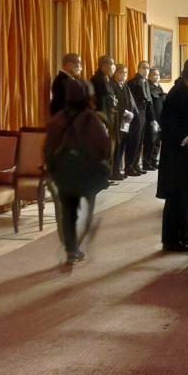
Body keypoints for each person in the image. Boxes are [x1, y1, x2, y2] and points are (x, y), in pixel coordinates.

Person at [44, 80, 111, 265]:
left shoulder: (57, 119)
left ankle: (71, 249)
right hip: (87, 174)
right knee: (88, 206)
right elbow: (104, 148)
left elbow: (48, 149)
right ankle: (85, 230)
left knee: (68, 211)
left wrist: (53, 169)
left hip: (64, 173)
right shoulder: (92, 120)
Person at [157, 57, 188, 252]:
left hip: (184, 153)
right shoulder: (180, 94)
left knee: (185, 196)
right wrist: (186, 138)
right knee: (176, 197)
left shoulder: (185, 91)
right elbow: (167, 123)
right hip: (176, 154)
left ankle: (183, 235)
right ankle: (171, 240)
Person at [113, 64, 141, 179]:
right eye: (122, 72)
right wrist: (124, 111)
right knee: (117, 146)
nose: (124, 75)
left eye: (126, 73)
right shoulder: (113, 85)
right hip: (117, 119)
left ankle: (119, 170)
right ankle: (114, 171)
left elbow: (131, 102)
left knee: (123, 144)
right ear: (116, 73)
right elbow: (114, 103)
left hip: (126, 120)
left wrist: (133, 114)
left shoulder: (124, 86)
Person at [128, 61, 155, 171]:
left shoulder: (146, 82)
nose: (146, 70)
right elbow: (130, 100)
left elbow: (149, 100)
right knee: (134, 140)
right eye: (144, 67)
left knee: (140, 141)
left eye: (148, 68)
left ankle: (136, 165)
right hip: (136, 113)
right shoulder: (133, 82)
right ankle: (130, 166)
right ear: (139, 68)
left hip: (144, 113)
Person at [146, 68, 165, 168]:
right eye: (154, 75)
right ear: (149, 76)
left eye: (158, 75)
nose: (157, 77)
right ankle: (147, 162)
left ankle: (154, 160)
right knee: (151, 141)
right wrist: (152, 119)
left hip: (160, 116)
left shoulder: (159, 87)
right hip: (152, 117)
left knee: (157, 140)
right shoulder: (148, 86)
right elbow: (150, 104)